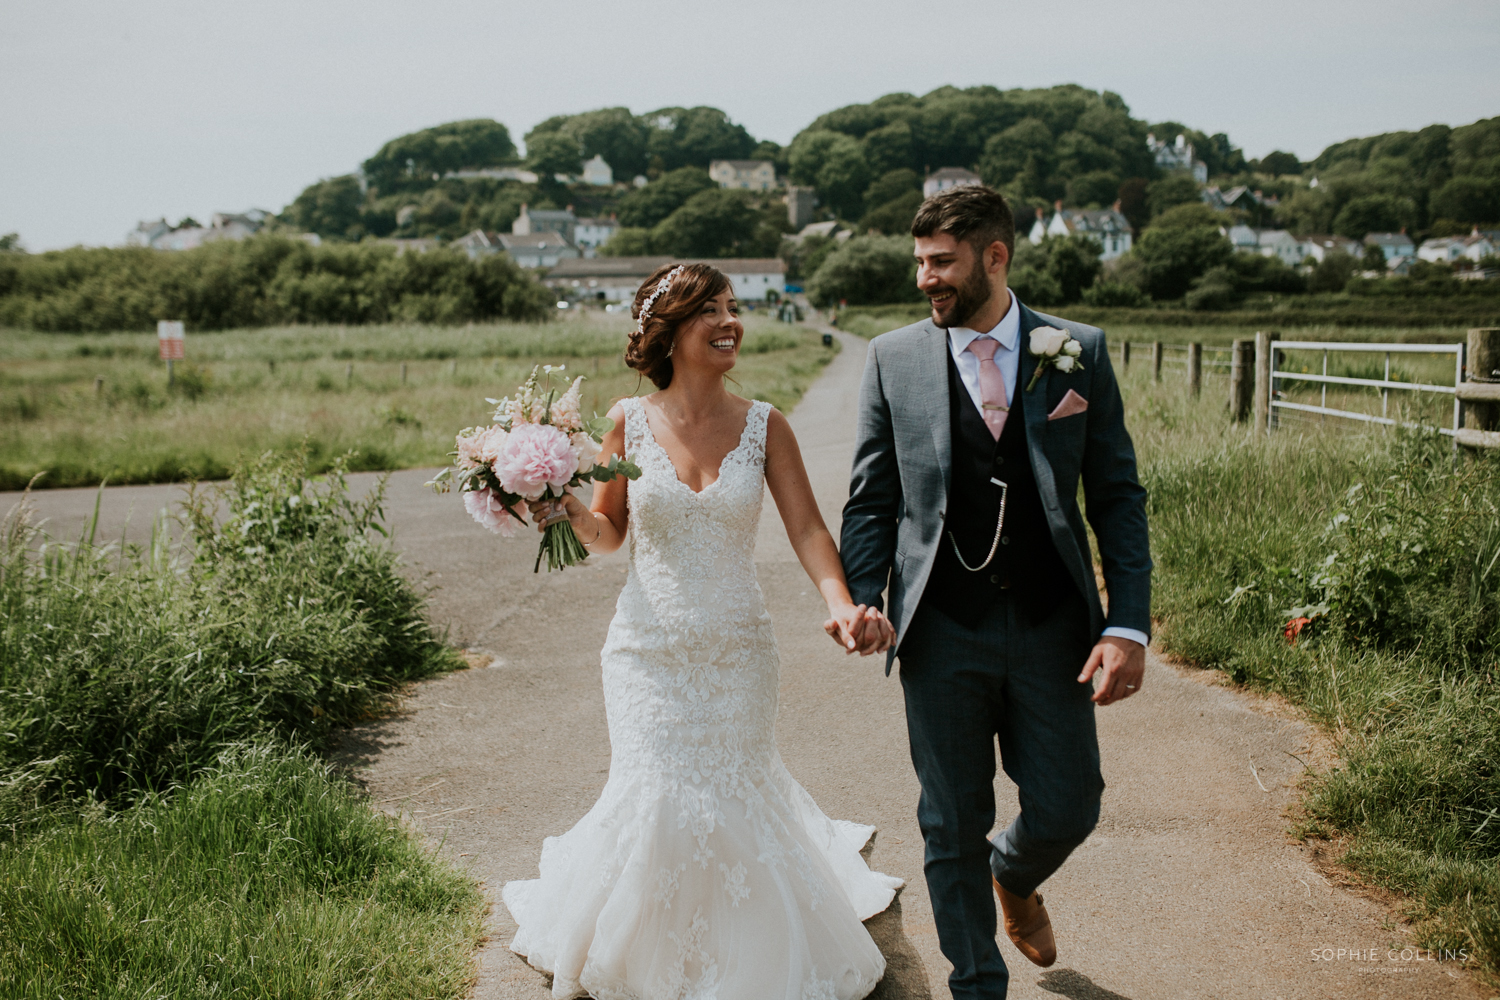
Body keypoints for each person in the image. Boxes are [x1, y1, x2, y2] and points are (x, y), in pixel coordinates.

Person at [503, 262, 904, 1000]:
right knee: (654, 792)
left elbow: (811, 530)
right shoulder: (628, 419)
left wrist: (841, 603)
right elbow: (609, 533)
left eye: (732, 307)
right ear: (668, 331)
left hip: (738, 652)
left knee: (731, 793)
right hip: (644, 652)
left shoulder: (765, 424)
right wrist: (559, 510)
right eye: (707, 311)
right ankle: (647, 953)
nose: (729, 321)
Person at [837, 185, 1151, 999]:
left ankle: (1014, 873)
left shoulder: (1077, 349)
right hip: (940, 628)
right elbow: (872, 500)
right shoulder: (893, 357)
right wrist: (864, 597)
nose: (925, 279)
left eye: (941, 262)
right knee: (950, 822)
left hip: (1053, 625)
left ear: (995, 256)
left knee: (1072, 805)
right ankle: (978, 982)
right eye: (919, 263)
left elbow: (1116, 496)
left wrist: (1128, 627)